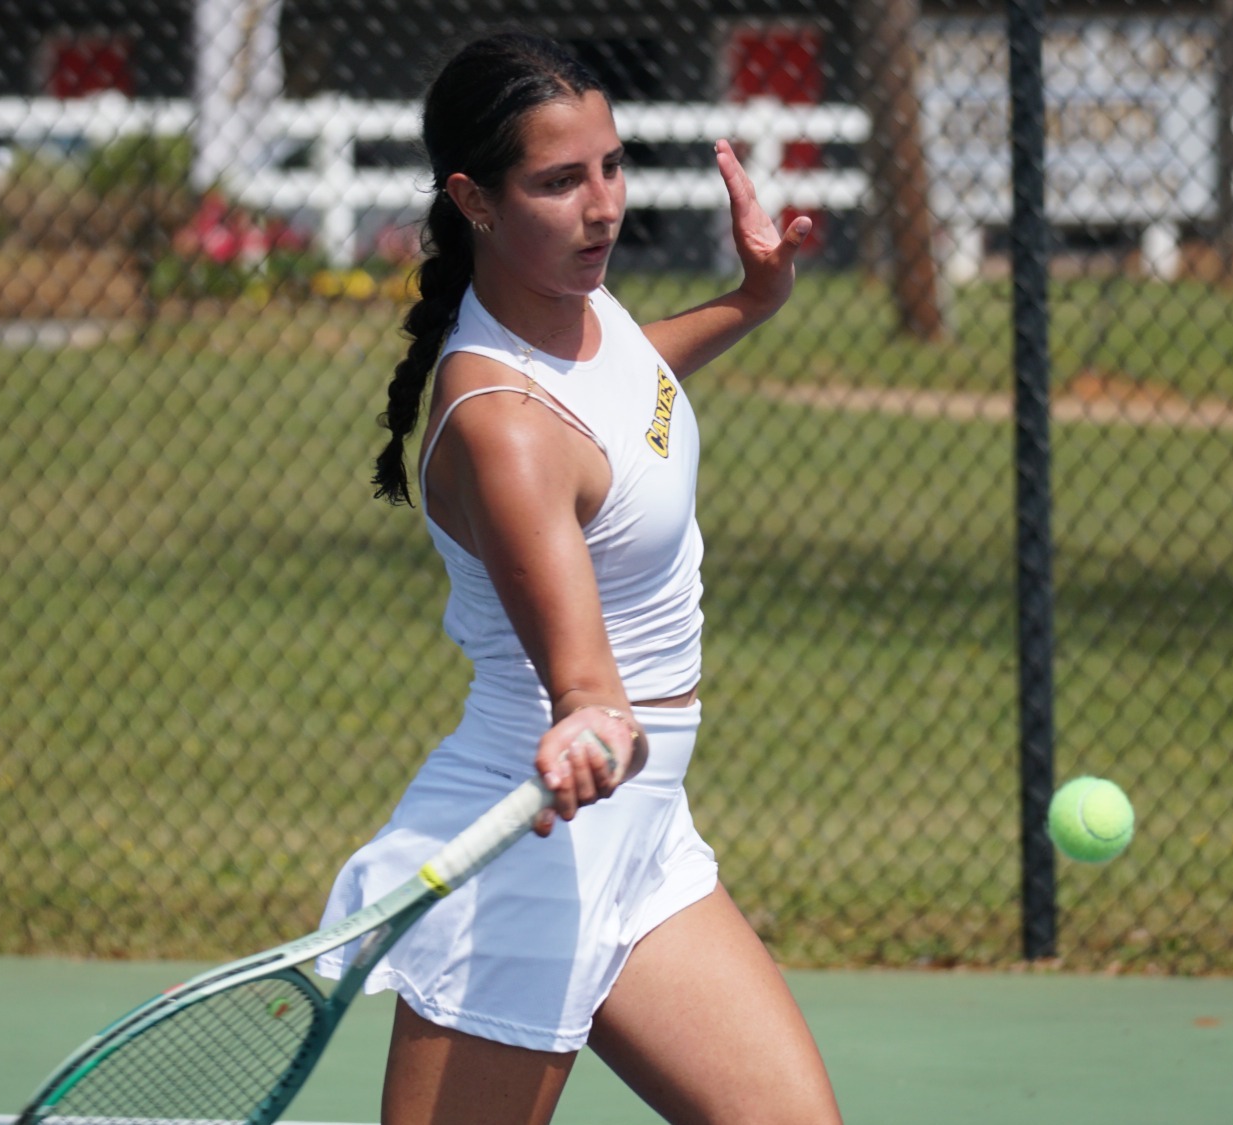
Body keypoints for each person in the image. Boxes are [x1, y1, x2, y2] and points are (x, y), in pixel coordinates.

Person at [316, 30, 843, 1125]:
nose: (600, 205)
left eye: (609, 164)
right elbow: (586, 684)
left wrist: (751, 299)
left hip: (641, 838)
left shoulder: (577, 315)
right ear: (474, 199)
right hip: (531, 843)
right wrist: (589, 720)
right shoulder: (503, 429)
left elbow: (625, 394)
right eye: (558, 181)